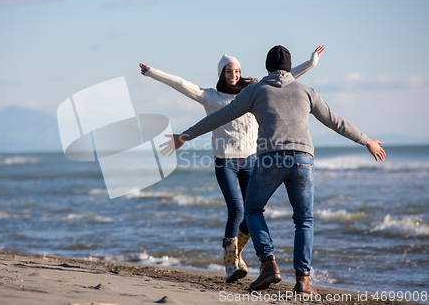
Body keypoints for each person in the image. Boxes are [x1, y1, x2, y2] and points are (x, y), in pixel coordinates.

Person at [159, 45, 386, 294]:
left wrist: (185, 135)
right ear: (289, 68)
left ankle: (268, 265)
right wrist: (367, 141)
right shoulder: (306, 90)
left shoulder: (256, 91)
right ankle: (303, 281)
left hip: (269, 160)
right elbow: (336, 121)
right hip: (303, 161)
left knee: (253, 210)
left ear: (267, 67)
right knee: (304, 220)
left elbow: (220, 117)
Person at [140, 46, 325, 283]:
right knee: (236, 209)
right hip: (225, 161)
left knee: (252, 213)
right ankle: (231, 266)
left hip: (251, 160)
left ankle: (235, 253)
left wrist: (311, 63)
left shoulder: (253, 90)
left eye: (236, 71)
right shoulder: (211, 97)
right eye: (228, 71)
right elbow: (182, 84)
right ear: (221, 74)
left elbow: (286, 77)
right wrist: (152, 72)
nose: (234, 75)